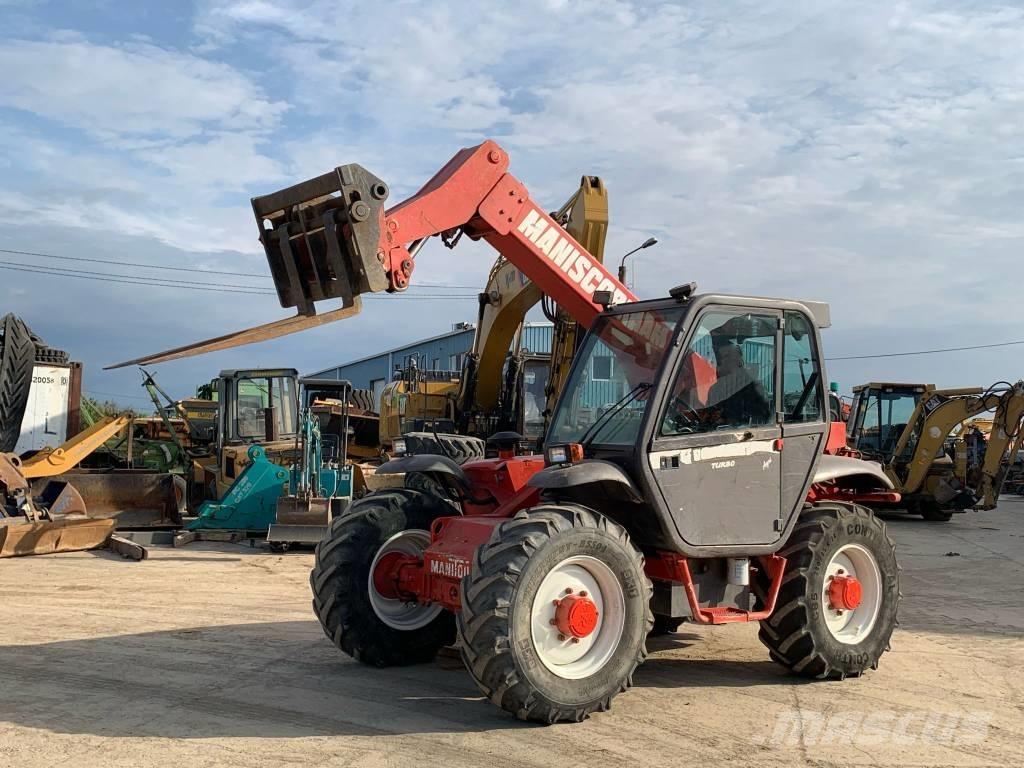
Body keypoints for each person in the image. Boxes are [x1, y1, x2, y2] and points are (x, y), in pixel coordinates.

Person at [705, 341, 771, 427]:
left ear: (739, 361)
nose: (720, 362)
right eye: (719, 358)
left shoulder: (754, 388)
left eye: (726, 357)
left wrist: (728, 421)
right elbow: (709, 418)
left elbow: (759, 423)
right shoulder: (715, 389)